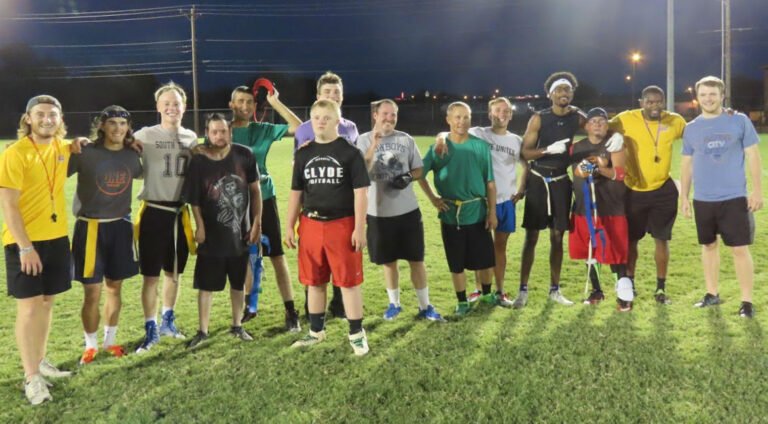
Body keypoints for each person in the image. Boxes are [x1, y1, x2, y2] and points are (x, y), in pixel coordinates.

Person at [0, 95, 74, 405]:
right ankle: (32, 377)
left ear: (60, 119)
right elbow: (8, 204)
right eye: (40, 114)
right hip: (24, 242)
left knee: (46, 304)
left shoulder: (63, 147)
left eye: (53, 114)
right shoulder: (14, 153)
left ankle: (41, 361)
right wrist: (25, 247)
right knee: (29, 309)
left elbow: (81, 145)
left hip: (57, 237)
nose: (47, 119)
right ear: (28, 118)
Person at [286, 99, 370, 355]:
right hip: (310, 223)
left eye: (327, 117)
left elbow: (361, 193)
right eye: (317, 117)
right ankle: (316, 331)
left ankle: (356, 333)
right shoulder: (303, 152)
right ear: (311, 121)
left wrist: (359, 228)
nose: (321, 121)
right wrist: (289, 225)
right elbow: (295, 193)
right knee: (314, 281)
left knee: (348, 282)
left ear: (337, 122)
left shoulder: (350, 153)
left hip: (342, 224)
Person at [680, 76, 763, 318]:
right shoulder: (692, 127)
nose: (708, 98)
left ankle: (746, 301)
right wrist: (684, 197)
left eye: (712, 94)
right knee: (708, 245)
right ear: (697, 97)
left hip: (734, 197)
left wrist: (757, 191)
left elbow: (753, 157)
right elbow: (686, 165)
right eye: (703, 94)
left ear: (722, 95)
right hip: (703, 198)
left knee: (739, 248)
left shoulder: (738, 121)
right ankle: (711, 293)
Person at [436, 97, 528, 307]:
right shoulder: (479, 133)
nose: (501, 114)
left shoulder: (515, 140)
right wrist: (441, 137)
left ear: (511, 115)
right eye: (497, 111)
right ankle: (479, 289)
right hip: (482, 201)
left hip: (506, 202)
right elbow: (451, 131)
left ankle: (500, 291)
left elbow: (526, 164)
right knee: (481, 248)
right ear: (489, 114)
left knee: (500, 247)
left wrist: (521, 189)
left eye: (506, 111)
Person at [68, 106, 142, 364]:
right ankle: (90, 345)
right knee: (92, 292)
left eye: (123, 124)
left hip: (120, 227)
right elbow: (54, 165)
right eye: (112, 123)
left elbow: (149, 169)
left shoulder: (133, 156)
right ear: (101, 126)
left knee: (114, 288)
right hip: (90, 228)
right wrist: (71, 143)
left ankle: (110, 341)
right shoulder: (86, 153)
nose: (118, 129)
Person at [358, 99, 443, 321]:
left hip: (408, 211)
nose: (389, 118)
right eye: (385, 114)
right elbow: (360, 172)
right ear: (375, 115)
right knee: (389, 262)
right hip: (378, 213)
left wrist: (407, 176)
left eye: (393, 115)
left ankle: (425, 306)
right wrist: (374, 145)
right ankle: (394, 304)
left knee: (417, 260)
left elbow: (419, 169)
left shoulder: (405, 139)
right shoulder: (363, 139)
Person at [183, 113, 263, 348]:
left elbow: (255, 191)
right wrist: (200, 225)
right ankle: (203, 331)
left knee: (238, 283)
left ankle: (237, 325)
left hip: (240, 233)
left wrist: (257, 222)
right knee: (206, 285)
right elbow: (195, 198)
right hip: (211, 234)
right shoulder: (199, 160)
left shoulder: (244, 155)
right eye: (214, 131)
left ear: (231, 131)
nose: (219, 136)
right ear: (207, 133)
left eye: (223, 131)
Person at [229, 84, 302, 331]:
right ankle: (250, 308)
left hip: (265, 197)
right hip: (236, 203)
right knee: (245, 256)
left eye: (249, 102)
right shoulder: (223, 131)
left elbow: (300, 128)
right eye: (240, 101)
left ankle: (291, 311)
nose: (245, 106)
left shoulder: (263, 129)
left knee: (277, 257)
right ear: (232, 105)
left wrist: (276, 103)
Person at [133, 82, 198, 352]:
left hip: (179, 214)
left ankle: (167, 320)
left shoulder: (191, 138)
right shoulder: (145, 134)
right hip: (154, 212)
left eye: (177, 103)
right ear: (158, 107)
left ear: (184, 107)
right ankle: (151, 328)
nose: (172, 107)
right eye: (167, 103)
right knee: (150, 276)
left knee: (174, 273)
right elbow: (125, 158)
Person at [418, 101, 497, 316]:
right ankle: (462, 301)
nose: (462, 121)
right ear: (449, 120)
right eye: (457, 117)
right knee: (456, 262)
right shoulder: (439, 147)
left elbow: (490, 182)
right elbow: (419, 174)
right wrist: (434, 198)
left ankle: (487, 294)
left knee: (485, 259)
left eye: (466, 117)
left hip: (477, 212)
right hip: (451, 215)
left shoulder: (480, 146)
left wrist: (492, 211)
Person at [514, 72, 587, 308]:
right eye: (559, 90)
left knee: (558, 237)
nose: (563, 93)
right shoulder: (538, 118)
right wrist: (547, 150)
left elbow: (599, 129)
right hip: (538, 180)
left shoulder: (577, 117)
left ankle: (555, 289)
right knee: (532, 236)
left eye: (567, 90)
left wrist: (614, 137)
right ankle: (523, 290)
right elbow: (525, 153)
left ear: (572, 94)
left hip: (561, 182)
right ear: (550, 94)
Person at [609, 85, 686, 304]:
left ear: (663, 102)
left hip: (663, 189)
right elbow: (597, 125)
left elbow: (697, 132)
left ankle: (660, 288)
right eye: (649, 102)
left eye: (658, 101)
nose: (654, 106)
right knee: (632, 240)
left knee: (662, 239)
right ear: (641, 102)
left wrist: (725, 114)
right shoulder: (625, 119)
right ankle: (630, 283)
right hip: (633, 190)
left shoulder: (675, 120)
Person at [294, 71, 358, 319]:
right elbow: (298, 174)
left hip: (343, 206)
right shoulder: (305, 129)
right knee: (314, 263)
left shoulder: (350, 128)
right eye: (327, 92)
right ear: (318, 96)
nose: (332, 96)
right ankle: (312, 310)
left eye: (336, 93)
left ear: (342, 98)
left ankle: (340, 304)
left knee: (342, 259)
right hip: (314, 205)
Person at [568, 108, 631, 310]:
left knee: (615, 251)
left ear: (607, 125)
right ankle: (597, 290)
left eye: (602, 121)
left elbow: (619, 174)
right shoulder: (576, 147)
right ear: (586, 126)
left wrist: (600, 167)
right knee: (590, 251)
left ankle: (623, 294)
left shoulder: (615, 143)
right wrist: (592, 164)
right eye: (593, 121)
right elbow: (579, 172)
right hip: (584, 208)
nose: (598, 124)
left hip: (611, 207)